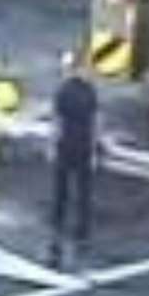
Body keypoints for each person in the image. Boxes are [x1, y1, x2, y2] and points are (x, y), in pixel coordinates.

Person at [50, 50, 99, 267]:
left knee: (61, 187)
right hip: (85, 144)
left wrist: (52, 144)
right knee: (84, 188)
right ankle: (82, 228)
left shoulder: (62, 91)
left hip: (66, 144)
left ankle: (58, 222)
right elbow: (97, 120)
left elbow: (57, 121)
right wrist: (96, 148)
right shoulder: (90, 91)